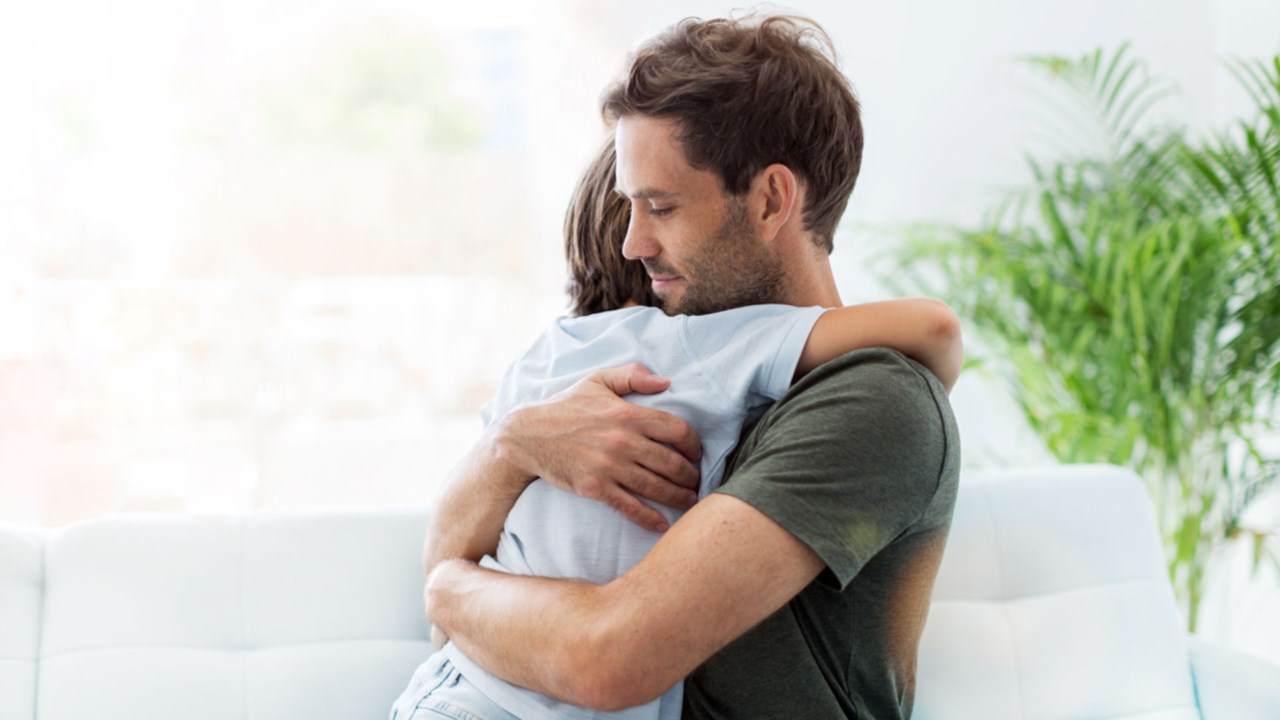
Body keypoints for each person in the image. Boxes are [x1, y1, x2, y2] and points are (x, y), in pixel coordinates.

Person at [418, 14, 961, 720]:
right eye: (630, 207)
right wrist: (512, 445)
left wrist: (449, 590)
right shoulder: (645, 362)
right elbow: (450, 603)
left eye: (662, 207)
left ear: (770, 200)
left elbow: (607, 658)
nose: (635, 243)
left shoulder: (873, 396)